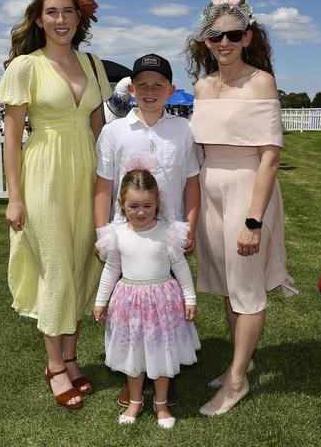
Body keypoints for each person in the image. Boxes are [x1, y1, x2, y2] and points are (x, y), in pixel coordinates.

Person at [0, 0, 111, 410]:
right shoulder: (26, 66)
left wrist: (112, 181)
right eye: (52, 13)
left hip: (88, 172)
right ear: (39, 19)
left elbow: (101, 128)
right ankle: (54, 366)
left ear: (79, 18)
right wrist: (15, 196)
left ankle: (72, 356)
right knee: (57, 266)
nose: (61, 20)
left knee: (83, 261)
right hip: (44, 172)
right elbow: (11, 139)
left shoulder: (94, 64)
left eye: (68, 12)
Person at [185, 0, 298, 416]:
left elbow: (270, 155)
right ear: (206, 42)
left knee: (247, 290)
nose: (224, 43)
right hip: (211, 191)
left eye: (234, 35)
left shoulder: (260, 82)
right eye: (216, 37)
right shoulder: (201, 86)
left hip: (248, 191)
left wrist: (253, 220)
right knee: (229, 288)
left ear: (248, 37)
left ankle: (235, 382)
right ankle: (242, 361)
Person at [94, 53, 201, 408]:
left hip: (167, 236)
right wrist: (102, 232)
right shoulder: (114, 131)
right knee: (133, 315)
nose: (150, 91)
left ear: (170, 90)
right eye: (143, 85)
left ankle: (164, 375)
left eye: (158, 85)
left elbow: (191, 182)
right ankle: (135, 377)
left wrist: (191, 225)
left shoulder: (183, 130)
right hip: (128, 234)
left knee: (166, 314)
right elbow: (103, 186)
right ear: (132, 89)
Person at [94, 169, 200, 429]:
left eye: (147, 206)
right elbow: (111, 269)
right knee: (134, 355)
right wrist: (100, 301)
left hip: (163, 304)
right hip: (129, 305)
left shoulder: (168, 232)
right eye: (133, 206)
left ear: (157, 203)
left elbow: (182, 267)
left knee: (162, 352)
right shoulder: (116, 234)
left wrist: (190, 298)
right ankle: (135, 400)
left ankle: (161, 403)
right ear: (121, 205)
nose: (140, 212)